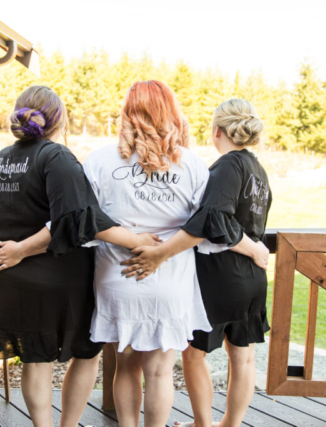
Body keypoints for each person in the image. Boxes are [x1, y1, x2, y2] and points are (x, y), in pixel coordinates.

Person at [0, 85, 158, 427]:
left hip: (10, 276)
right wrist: (135, 239)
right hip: (57, 275)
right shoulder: (56, 156)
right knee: (87, 354)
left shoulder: (0, 160)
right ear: (59, 120)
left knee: (35, 360)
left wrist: (16, 251)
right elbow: (75, 220)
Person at [121, 98, 272, 427]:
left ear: (217, 130)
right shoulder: (258, 171)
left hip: (222, 275)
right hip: (253, 279)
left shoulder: (227, 166)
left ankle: (203, 424)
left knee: (193, 353)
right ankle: (229, 425)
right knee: (243, 357)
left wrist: (248, 248)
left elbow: (214, 218)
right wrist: (255, 250)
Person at [78, 80, 212, 427]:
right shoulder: (195, 166)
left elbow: (82, 220)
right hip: (171, 280)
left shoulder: (99, 161)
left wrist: (131, 239)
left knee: (126, 367)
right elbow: (205, 227)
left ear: (127, 113)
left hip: (118, 273)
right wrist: (162, 252)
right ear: (171, 112)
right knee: (159, 372)